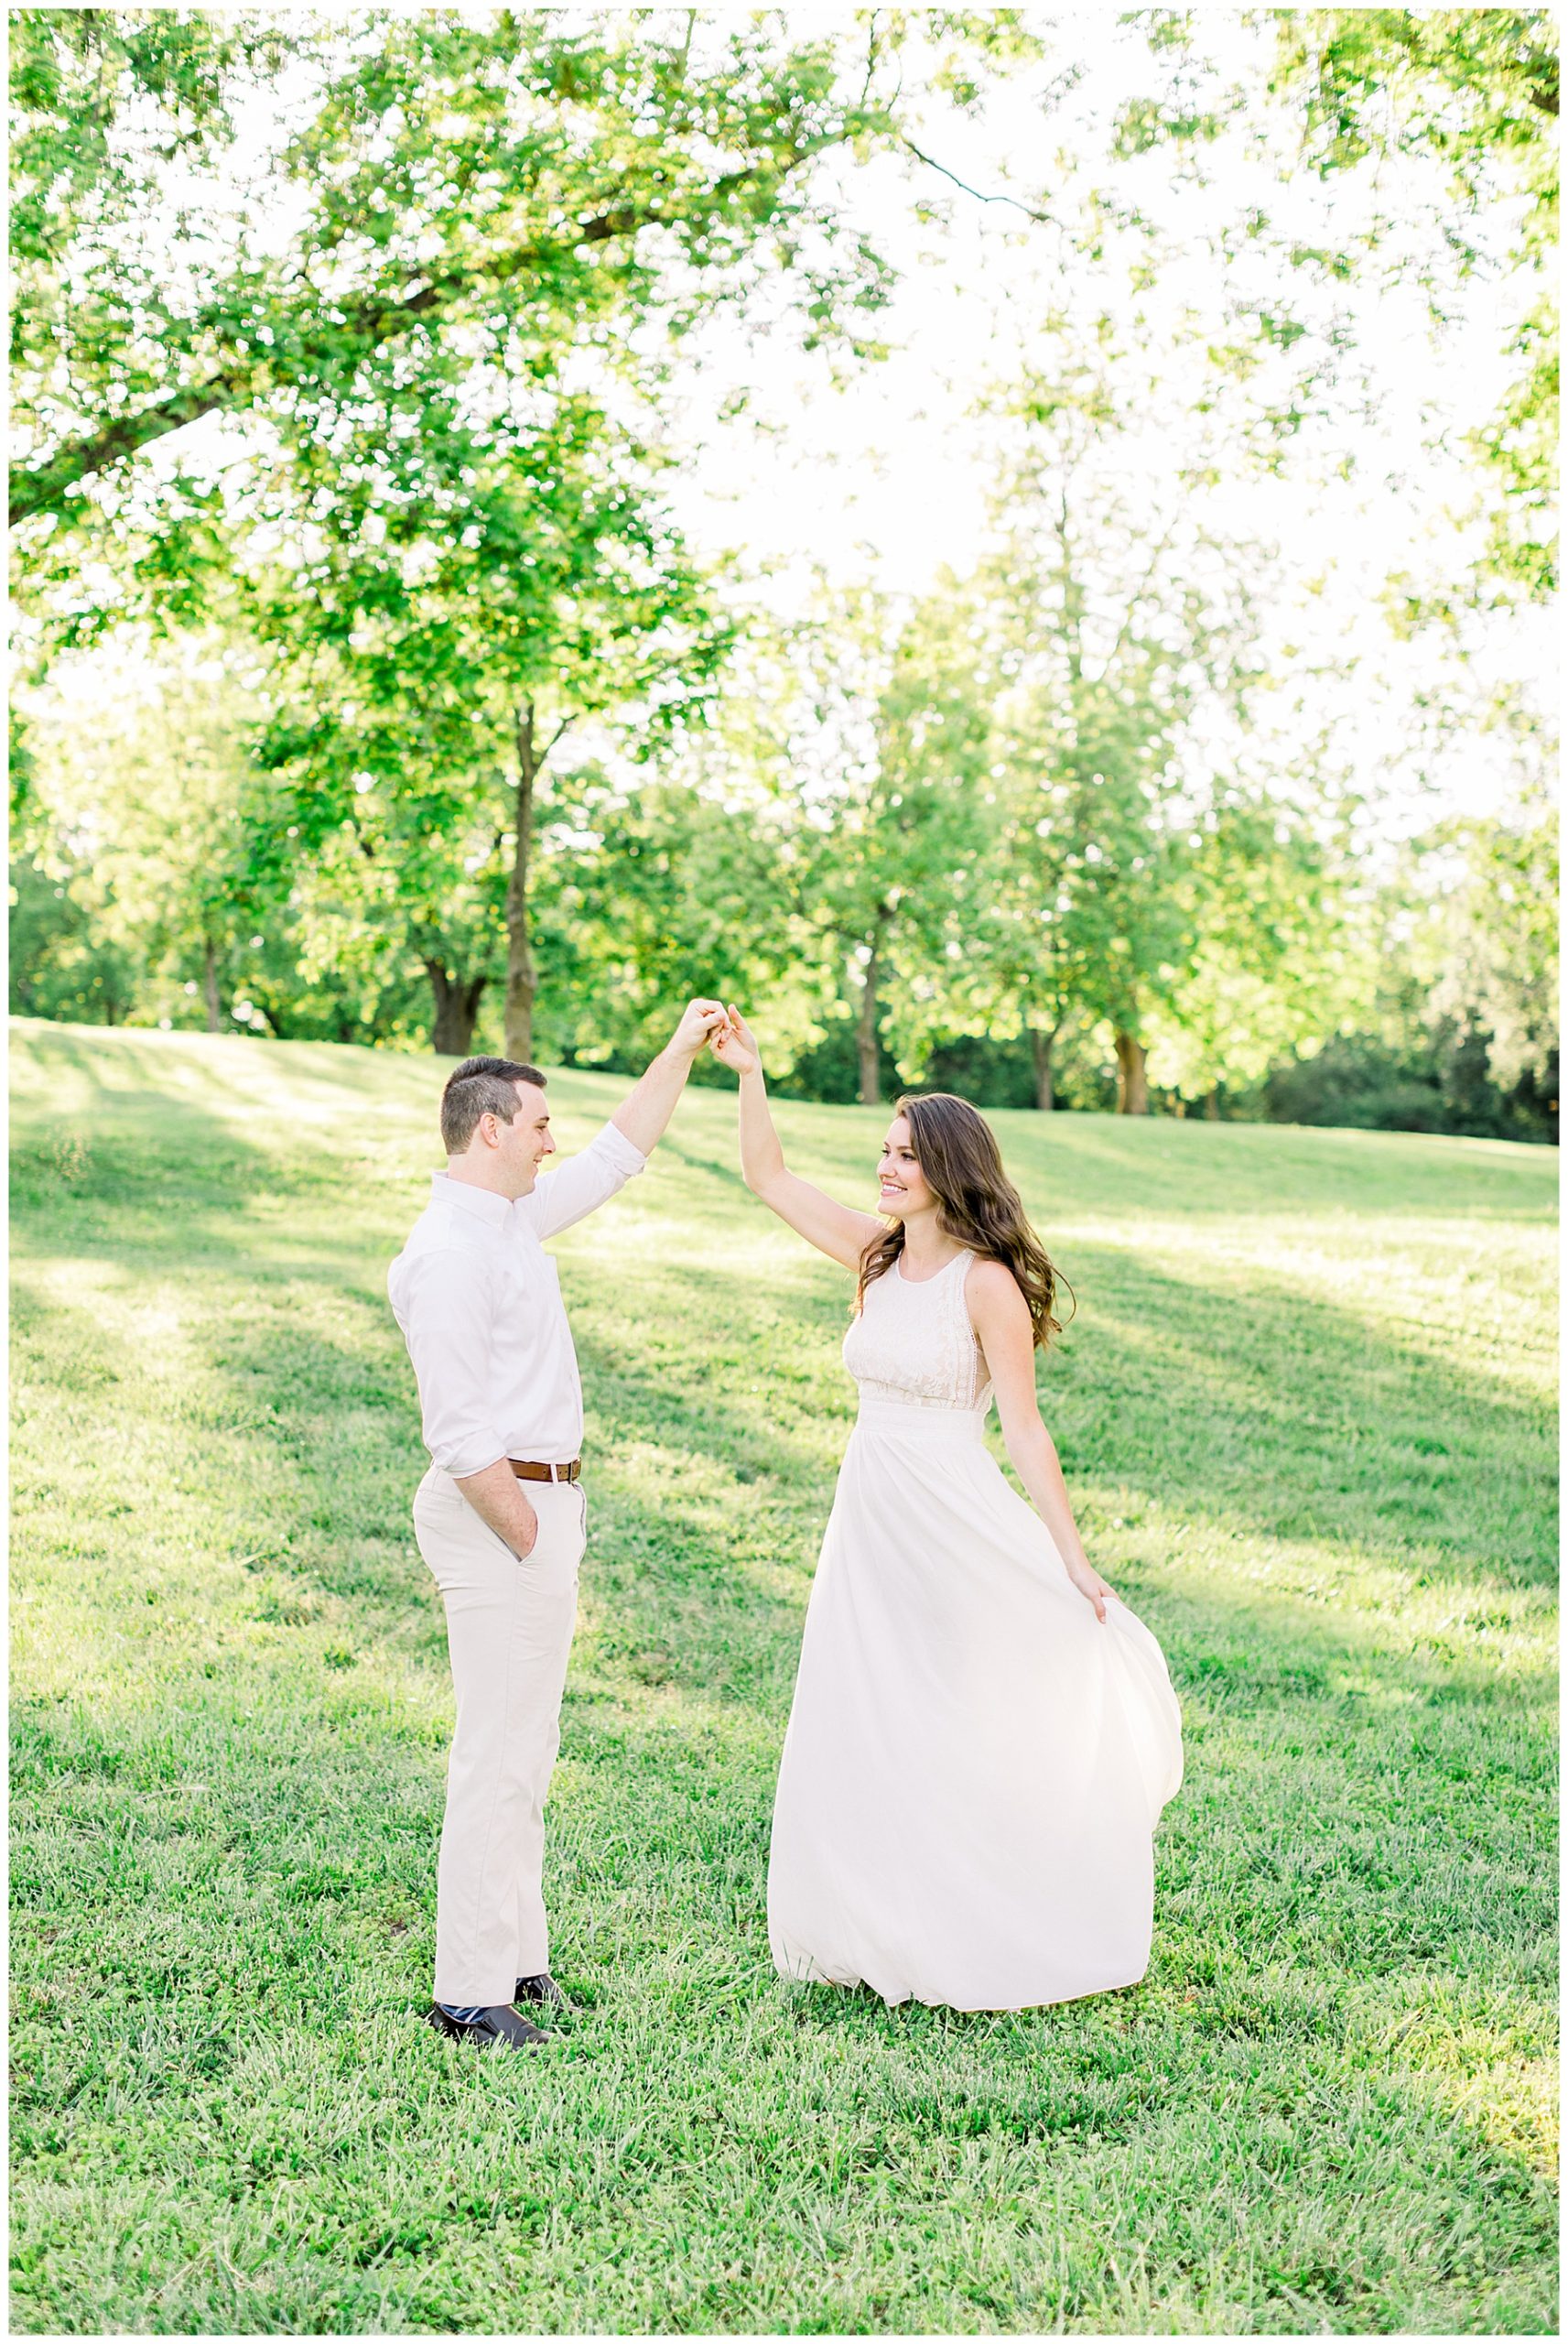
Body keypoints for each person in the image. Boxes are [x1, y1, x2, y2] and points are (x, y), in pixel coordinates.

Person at [708, 1005, 1183, 2012]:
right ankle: (873, 1921)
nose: (886, 1169)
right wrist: (749, 1072)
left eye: (906, 1157)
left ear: (950, 1170)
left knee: (952, 1712)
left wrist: (1073, 1556)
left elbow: (1025, 1431)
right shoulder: (877, 1258)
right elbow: (770, 1179)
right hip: (868, 1517)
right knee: (867, 1711)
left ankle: (986, 1918)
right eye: (882, 1150)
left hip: (950, 1517)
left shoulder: (987, 1284)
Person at [388, 1003, 728, 2051]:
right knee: (495, 1752)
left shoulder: (510, 1221)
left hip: (540, 1511)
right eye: (538, 1122)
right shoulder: (449, 1250)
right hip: (502, 1517)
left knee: (528, 1748)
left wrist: (677, 1049)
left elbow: (620, 1154)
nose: (551, 1138)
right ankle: (466, 1993)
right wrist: (532, 1536)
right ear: (489, 1126)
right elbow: (456, 1431)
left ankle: (517, 1961)